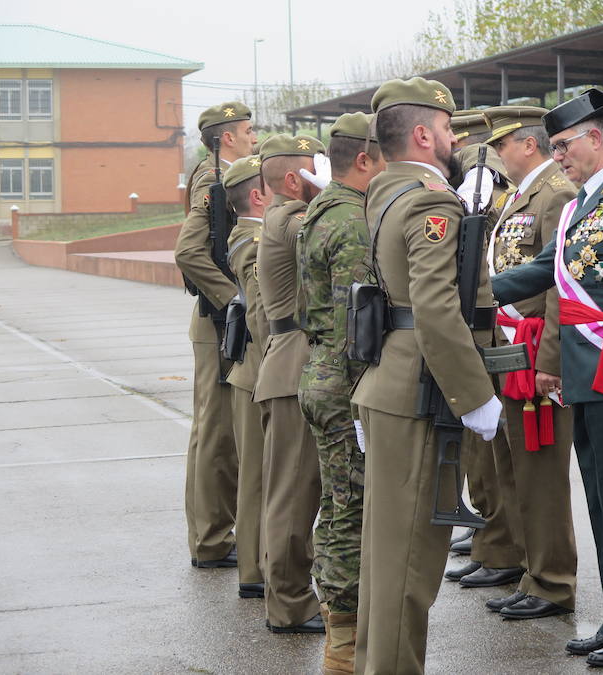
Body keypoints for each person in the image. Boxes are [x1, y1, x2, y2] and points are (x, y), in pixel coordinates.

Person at [492, 89, 603, 668]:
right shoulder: (580, 206)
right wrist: (466, 294)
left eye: (564, 145)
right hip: (586, 373)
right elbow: (541, 269)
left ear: (596, 138)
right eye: (553, 147)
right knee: (600, 499)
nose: (558, 155)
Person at [352, 77, 502, 674]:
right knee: (411, 564)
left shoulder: (384, 194)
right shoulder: (430, 202)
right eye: (445, 129)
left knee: (386, 556)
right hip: (421, 391)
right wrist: (476, 395)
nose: (452, 139)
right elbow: (437, 308)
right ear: (422, 133)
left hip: (390, 382)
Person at [464, 105, 578, 619]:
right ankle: (529, 569)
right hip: (509, 345)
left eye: (502, 144)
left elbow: (559, 282)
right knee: (512, 466)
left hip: (535, 349)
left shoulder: (554, 193)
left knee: (540, 472)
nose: (496, 154)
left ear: (527, 144)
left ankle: (552, 579)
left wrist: (550, 358)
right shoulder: (519, 197)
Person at [297, 113, 386, 673]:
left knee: (336, 507)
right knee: (348, 511)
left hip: (320, 373)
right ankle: (344, 642)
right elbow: (361, 322)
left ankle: (339, 622)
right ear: (364, 160)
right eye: (383, 159)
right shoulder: (352, 220)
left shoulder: (321, 208)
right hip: (344, 381)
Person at [174, 101, 255, 570]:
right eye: (247, 131)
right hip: (218, 321)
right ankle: (210, 541)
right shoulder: (213, 180)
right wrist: (233, 299)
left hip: (223, 319)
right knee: (216, 432)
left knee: (215, 430)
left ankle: (213, 536)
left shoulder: (221, 174)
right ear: (227, 138)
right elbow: (189, 251)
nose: (253, 137)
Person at [252, 134, 326, 634]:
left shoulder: (284, 218)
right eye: (316, 170)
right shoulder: (290, 220)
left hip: (292, 360)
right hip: (295, 363)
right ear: (294, 179)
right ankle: (290, 603)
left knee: (298, 490)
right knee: (293, 494)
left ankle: (291, 595)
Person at [446, 110, 518, 565]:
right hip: (476, 319)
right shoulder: (471, 179)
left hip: (493, 325)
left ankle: (497, 538)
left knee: (491, 448)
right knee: (478, 449)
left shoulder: (481, 178)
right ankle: (486, 529)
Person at [222, 155, 269, 600]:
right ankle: (255, 570)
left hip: (252, 373)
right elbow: (262, 316)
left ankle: (258, 565)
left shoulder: (255, 236)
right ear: (258, 195)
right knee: (258, 478)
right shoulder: (253, 241)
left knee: (262, 477)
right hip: (258, 374)